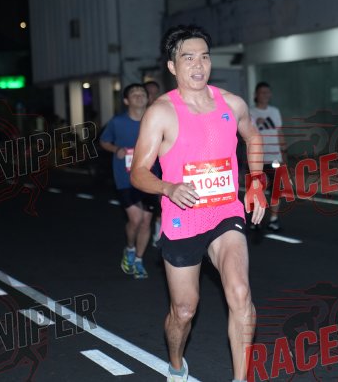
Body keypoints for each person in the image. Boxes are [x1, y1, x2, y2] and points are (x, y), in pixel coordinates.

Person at [131, 25, 267, 382]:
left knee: (240, 293)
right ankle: (176, 364)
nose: (198, 65)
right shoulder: (161, 112)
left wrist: (256, 182)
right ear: (172, 66)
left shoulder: (232, 104)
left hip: (225, 211)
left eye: (204, 57)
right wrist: (168, 187)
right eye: (188, 58)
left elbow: (253, 136)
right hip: (183, 219)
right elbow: (138, 172)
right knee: (184, 310)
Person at [100, 83, 155, 279]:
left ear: (148, 98)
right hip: (126, 178)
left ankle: (139, 260)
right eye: (134, 94)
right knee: (136, 219)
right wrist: (117, 149)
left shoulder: (154, 119)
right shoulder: (117, 122)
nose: (139, 96)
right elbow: (104, 141)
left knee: (146, 221)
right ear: (126, 100)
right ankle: (130, 248)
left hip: (151, 177)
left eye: (142, 93)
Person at [249, 82, 287, 232]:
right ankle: (256, 219)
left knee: (276, 190)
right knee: (257, 190)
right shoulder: (250, 112)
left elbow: (279, 132)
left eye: (267, 92)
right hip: (257, 159)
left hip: (275, 157)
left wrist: (284, 152)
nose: (265, 95)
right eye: (262, 92)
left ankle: (274, 219)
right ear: (256, 95)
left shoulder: (275, 111)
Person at [144, 79, 165, 247]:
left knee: (162, 197)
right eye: (148, 93)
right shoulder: (141, 114)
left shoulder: (164, 110)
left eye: (155, 92)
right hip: (144, 164)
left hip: (161, 162)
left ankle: (159, 232)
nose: (152, 96)